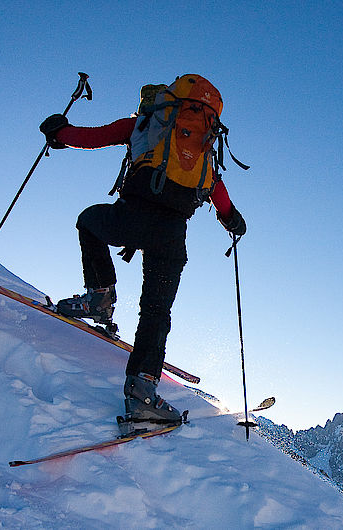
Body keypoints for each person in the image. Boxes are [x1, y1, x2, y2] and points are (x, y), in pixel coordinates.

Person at [39, 75, 246, 424]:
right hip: (172, 236)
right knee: (155, 311)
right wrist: (233, 222)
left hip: (130, 218)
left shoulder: (140, 127)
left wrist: (59, 133)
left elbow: (90, 138)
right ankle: (142, 391)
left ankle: (100, 297)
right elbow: (220, 196)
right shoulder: (202, 153)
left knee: (89, 221)